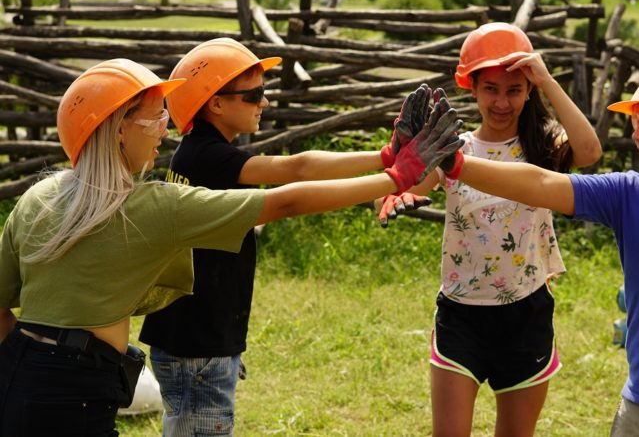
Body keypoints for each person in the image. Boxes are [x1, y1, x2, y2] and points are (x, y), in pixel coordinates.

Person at [0, 58, 462, 436]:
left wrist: (28, 363)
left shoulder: (38, 197)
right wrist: (395, 177)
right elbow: (287, 199)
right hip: (79, 388)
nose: (166, 127)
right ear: (118, 129)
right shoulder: (154, 206)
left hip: (22, 373)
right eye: (155, 116)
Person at [136, 37, 443, 436]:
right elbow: (297, 171)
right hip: (196, 345)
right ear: (215, 103)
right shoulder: (206, 158)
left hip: (191, 337)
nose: (264, 103)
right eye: (254, 94)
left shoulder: (197, 155)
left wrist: (387, 156)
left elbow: (298, 169)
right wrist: (392, 169)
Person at [421, 64, 639, 436]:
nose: (636, 134)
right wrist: (453, 161)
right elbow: (538, 182)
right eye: (635, 122)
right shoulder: (628, 195)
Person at [379, 22, 603, 437]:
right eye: (491, 89)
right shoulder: (453, 149)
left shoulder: (544, 145)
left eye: (514, 90)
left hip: (526, 314)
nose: (502, 101)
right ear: (472, 89)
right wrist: (394, 193)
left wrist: (546, 80)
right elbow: (404, 184)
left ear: (528, 91)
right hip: (460, 315)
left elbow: (590, 152)